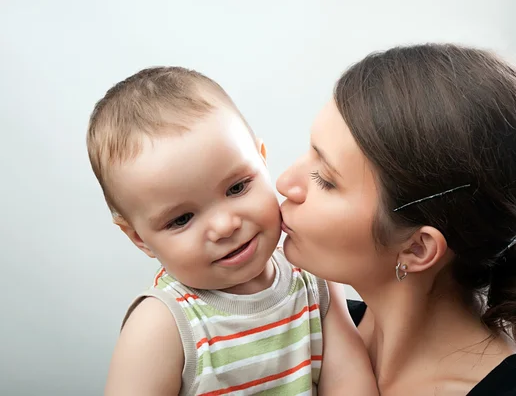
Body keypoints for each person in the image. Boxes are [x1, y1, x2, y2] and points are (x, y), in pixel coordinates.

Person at [276, 43, 516, 395]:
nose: (284, 182)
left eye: (326, 180)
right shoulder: (287, 337)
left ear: (418, 248)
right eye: (309, 153)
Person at [86, 67, 377, 396]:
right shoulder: (162, 325)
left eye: (237, 187)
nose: (225, 226)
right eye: (182, 219)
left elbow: (349, 381)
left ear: (261, 161)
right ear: (139, 238)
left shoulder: (312, 278)